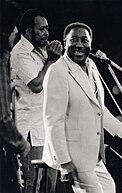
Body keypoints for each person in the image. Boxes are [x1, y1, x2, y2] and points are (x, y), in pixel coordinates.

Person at [42, 22, 122, 193]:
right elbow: (52, 121)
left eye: (84, 40)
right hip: (74, 156)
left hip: (94, 155)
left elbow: (98, 109)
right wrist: (64, 161)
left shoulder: (92, 66)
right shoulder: (57, 71)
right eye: (74, 40)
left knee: (110, 188)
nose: (79, 45)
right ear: (65, 42)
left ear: (91, 44)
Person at [10, 8, 62, 193]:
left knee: (50, 185)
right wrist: (51, 60)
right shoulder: (19, 52)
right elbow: (36, 85)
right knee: (33, 185)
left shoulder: (44, 50)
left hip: (51, 128)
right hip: (33, 130)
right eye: (41, 29)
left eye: (47, 28)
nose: (46, 33)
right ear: (28, 31)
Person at [0, 0, 30, 193]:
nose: (16, 33)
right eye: (14, 29)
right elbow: (2, 116)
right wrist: (21, 143)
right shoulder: (2, 58)